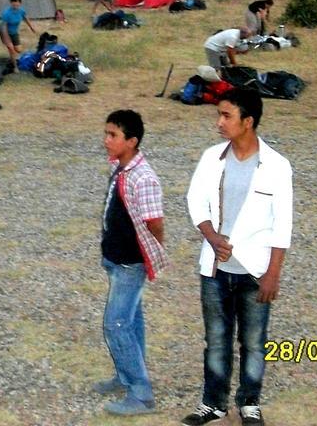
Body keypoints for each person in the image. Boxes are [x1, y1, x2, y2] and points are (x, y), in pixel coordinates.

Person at [181, 88, 293, 426]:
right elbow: (195, 202)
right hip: (215, 270)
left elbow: (282, 222)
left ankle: (249, 403)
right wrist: (212, 238)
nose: (219, 122)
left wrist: (273, 273)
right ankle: (213, 403)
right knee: (215, 340)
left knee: (254, 342)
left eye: (226, 115)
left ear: (248, 121)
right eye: (219, 114)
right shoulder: (211, 158)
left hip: (255, 271)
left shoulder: (276, 166)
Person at [93, 110, 168, 417]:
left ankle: (141, 394)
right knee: (131, 320)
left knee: (116, 324)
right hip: (115, 259)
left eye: (113, 135)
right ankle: (126, 375)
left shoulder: (143, 178)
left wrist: (148, 253)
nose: (106, 140)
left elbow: (155, 223)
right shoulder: (121, 168)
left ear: (132, 141)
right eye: (107, 133)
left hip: (130, 265)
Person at [0, 0, 37, 68]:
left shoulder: (21, 11)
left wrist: (31, 27)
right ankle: (15, 67)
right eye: (14, 3)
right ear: (11, 3)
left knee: (18, 50)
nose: (16, 5)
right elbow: (4, 27)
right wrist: (7, 41)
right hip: (4, 32)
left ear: (20, 3)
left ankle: (13, 58)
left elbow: (25, 18)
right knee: (11, 49)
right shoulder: (6, 13)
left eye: (17, 3)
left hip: (14, 32)